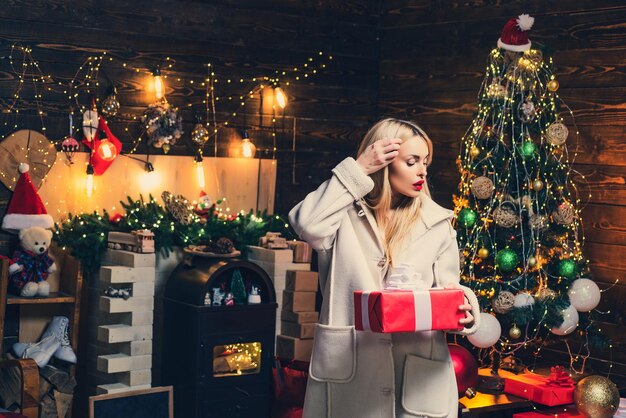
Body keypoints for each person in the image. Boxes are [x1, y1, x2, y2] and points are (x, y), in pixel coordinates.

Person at [289, 118, 481, 418]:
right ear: (384, 162)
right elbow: (306, 224)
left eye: (425, 161)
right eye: (412, 161)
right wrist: (358, 168)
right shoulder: (341, 215)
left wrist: (463, 309)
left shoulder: (438, 223)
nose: (422, 171)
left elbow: (450, 292)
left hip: (417, 378)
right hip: (351, 375)